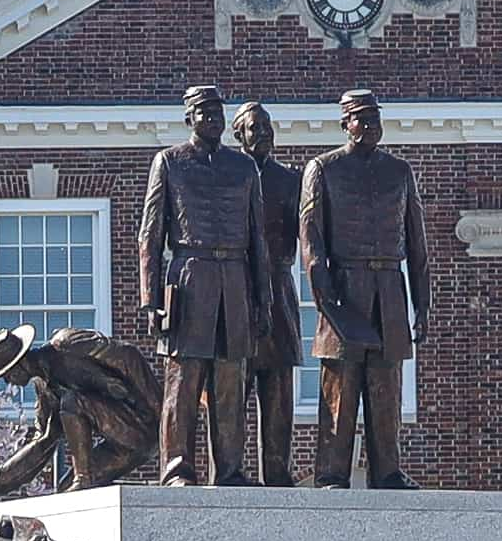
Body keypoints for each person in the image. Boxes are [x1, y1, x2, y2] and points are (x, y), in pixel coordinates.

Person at [139, 87, 289, 486]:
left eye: (217, 112)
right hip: (189, 277)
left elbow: (258, 239)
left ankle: (230, 469)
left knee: (230, 382)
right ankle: (178, 469)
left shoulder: (243, 168)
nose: (213, 119)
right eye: (203, 113)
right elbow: (150, 236)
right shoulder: (169, 162)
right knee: (183, 383)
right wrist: (149, 300)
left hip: (236, 280)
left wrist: (263, 300)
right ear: (189, 119)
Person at [295, 85, 430, 486]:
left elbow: (417, 245)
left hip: (389, 287)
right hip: (345, 286)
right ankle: (332, 473)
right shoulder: (324, 169)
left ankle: (388, 471)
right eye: (362, 119)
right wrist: (327, 303)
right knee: (341, 388)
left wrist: (421, 307)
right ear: (345, 124)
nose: (371, 126)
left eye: (375, 119)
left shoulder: (399, 172)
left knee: (385, 389)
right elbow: (312, 243)